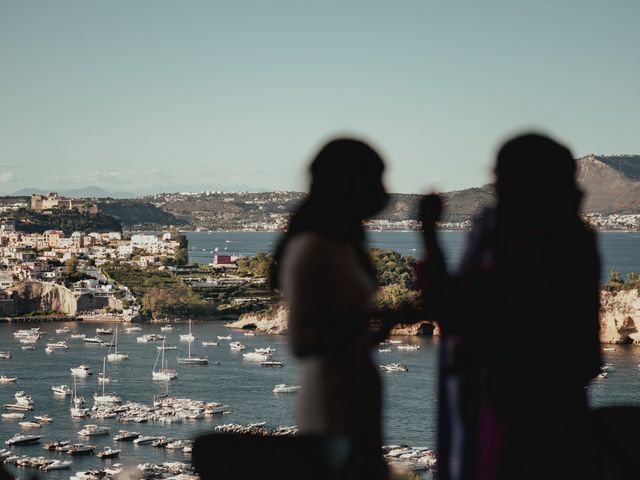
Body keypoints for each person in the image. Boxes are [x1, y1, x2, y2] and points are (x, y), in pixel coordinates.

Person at [420, 133, 602, 480]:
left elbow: (457, 310)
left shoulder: (522, 246)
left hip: (514, 414)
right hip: (560, 409)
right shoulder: (574, 239)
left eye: (500, 176)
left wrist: (429, 235)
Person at [270, 138, 391, 479]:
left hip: (354, 407)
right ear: (349, 184)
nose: (385, 192)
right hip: (331, 413)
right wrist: (364, 324)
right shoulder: (312, 247)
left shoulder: (340, 243)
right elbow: (301, 341)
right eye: (376, 180)